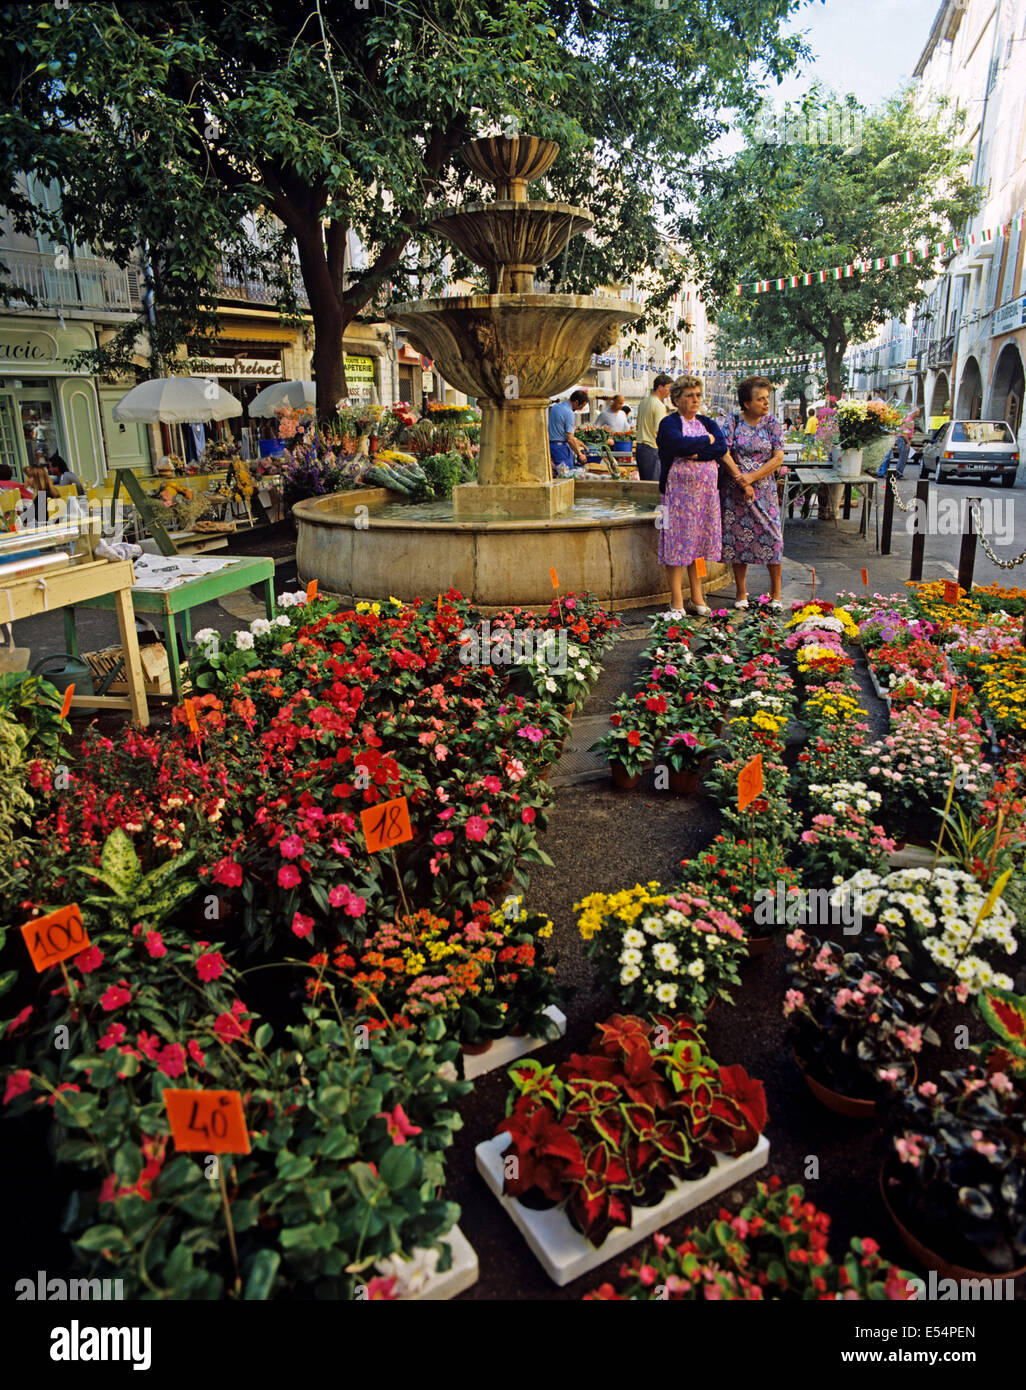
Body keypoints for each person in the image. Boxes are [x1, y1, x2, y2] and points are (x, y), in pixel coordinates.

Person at [656, 374, 752, 616]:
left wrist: (698, 452)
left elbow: (720, 447)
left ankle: (697, 596)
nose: (695, 400)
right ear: (677, 399)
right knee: (677, 544)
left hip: (705, 497)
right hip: (678, 495)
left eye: (698, 395)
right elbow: (678, 446)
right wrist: (704, 442)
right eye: (689, 395)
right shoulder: (669, 424)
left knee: (699, 545)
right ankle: (676, 599)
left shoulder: (708, 422)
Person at [719, 376, 785, 611]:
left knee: (774, 540)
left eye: (767, 398)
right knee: (739, 541)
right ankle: (740, 592)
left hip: (764, 492)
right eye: (760, 399)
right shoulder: (732, 421)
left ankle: (776, 592)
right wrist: (741, 480)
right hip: (735, 491)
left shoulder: (772, 423)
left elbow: (778, 457)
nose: (766, 403)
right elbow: (723, 452)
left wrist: (753, 477)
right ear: (746, 403)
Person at [635, 373, 672, 481]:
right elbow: (659, 431)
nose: (670, 391)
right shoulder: (659, 405)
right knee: (654, 486)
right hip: (651, 448)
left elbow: (638, 425)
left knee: (644, 485)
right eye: (668, 388)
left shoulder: (643, 402)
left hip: (640, 448)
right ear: (660, 387)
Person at [547, 389, 589, 475]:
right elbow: (569, 439)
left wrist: (576, 441)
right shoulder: (569, 413)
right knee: (566, 475)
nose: (580, 409)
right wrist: (580, 454)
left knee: (557, 474)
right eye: (581, 406)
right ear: (576, 402)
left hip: (552, 446)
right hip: (561, 448)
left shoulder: (555, 407)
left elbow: (558, 430)